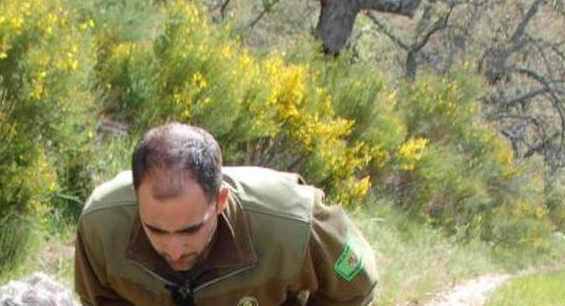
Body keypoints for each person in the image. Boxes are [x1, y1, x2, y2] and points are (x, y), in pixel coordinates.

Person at [74, 122, 378, 306]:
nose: (174, 250)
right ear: (136, 200)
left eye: (190, 230)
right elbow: (101, 300)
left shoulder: (294, 223)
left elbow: (354, 287)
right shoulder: (101, 227)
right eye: (156, 230)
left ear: (220, 201)